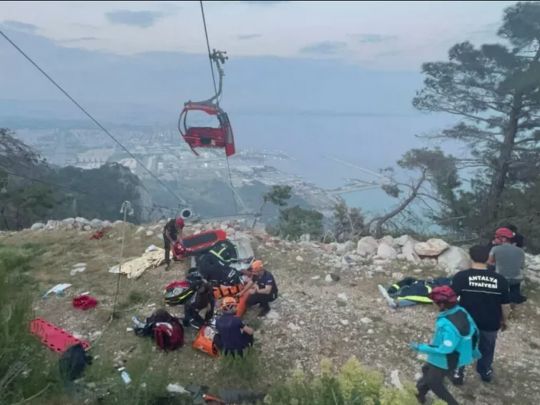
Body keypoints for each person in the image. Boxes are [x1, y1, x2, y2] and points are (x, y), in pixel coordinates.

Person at [410, 286, 480, 405]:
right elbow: (475, 331)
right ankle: (419, 394)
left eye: (435, 302)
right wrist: (474, 351)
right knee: (427, 370)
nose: (433, 304)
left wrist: (420, 347)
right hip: (460, 353)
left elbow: (445, 349)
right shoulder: (461, 311)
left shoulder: (448, 325)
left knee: (434, 382)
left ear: (442, 304)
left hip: (447, 358)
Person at [451, 245, 510, 384]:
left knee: (463, 346)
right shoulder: (500, 279)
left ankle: (458, 373)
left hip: (466, 321)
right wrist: (504, 320)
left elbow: (451, 299)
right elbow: (505, 306)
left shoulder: (461, 277)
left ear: (470, 257)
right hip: (490, 322)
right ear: (488, 258)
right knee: (487, 348)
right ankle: (485, 371)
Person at [488, 227, 526, 304]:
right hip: (517, 279)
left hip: (502, 280)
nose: (495, 240)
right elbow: (522, 266)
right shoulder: (521, 251)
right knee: (515, 282)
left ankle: (499, 295)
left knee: (490, 269)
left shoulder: (495, 249)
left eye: (497, 238)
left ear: (504, 239)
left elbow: (489, 262)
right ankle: (515, 296)